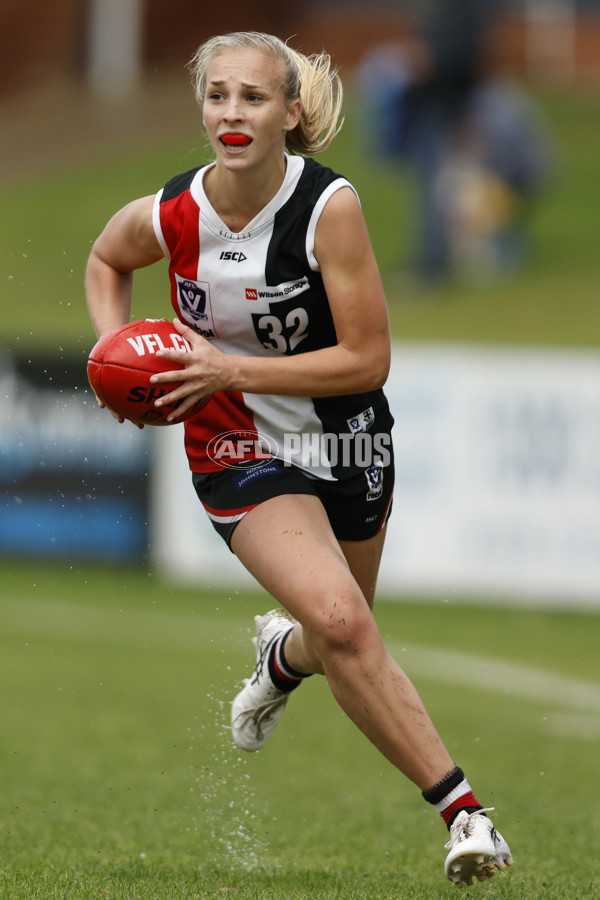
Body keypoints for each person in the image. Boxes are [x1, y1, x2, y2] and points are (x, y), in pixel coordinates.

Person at [85, 31, 513, 888]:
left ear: (291, 111)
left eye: (252, 97)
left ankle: (280, 660)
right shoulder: (175, 210)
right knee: (346, 623)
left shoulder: (329, 208)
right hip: (233, 441)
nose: (231, 114)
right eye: (217, 96)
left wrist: (228, 363)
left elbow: (368, 359)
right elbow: (105, 258)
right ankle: (466, 817)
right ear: (201, 106)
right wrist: (117, 357)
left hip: (346, 437)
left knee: (338, 630)